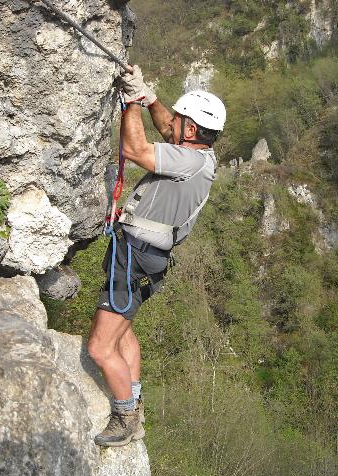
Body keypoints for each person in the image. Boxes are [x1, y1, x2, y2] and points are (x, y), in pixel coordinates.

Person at [89, 65, 226, 447]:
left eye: (181, 121)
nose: (173, 125)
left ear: (193, 131)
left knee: (100, 347)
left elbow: (135, 150)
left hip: (135, 256)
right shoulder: (199, 155)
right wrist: (149, 98)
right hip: (147, 257)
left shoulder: (190, 162)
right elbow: (169, 127)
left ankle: (125, 416)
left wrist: (130, 102)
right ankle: (134, 398)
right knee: (124, 328)